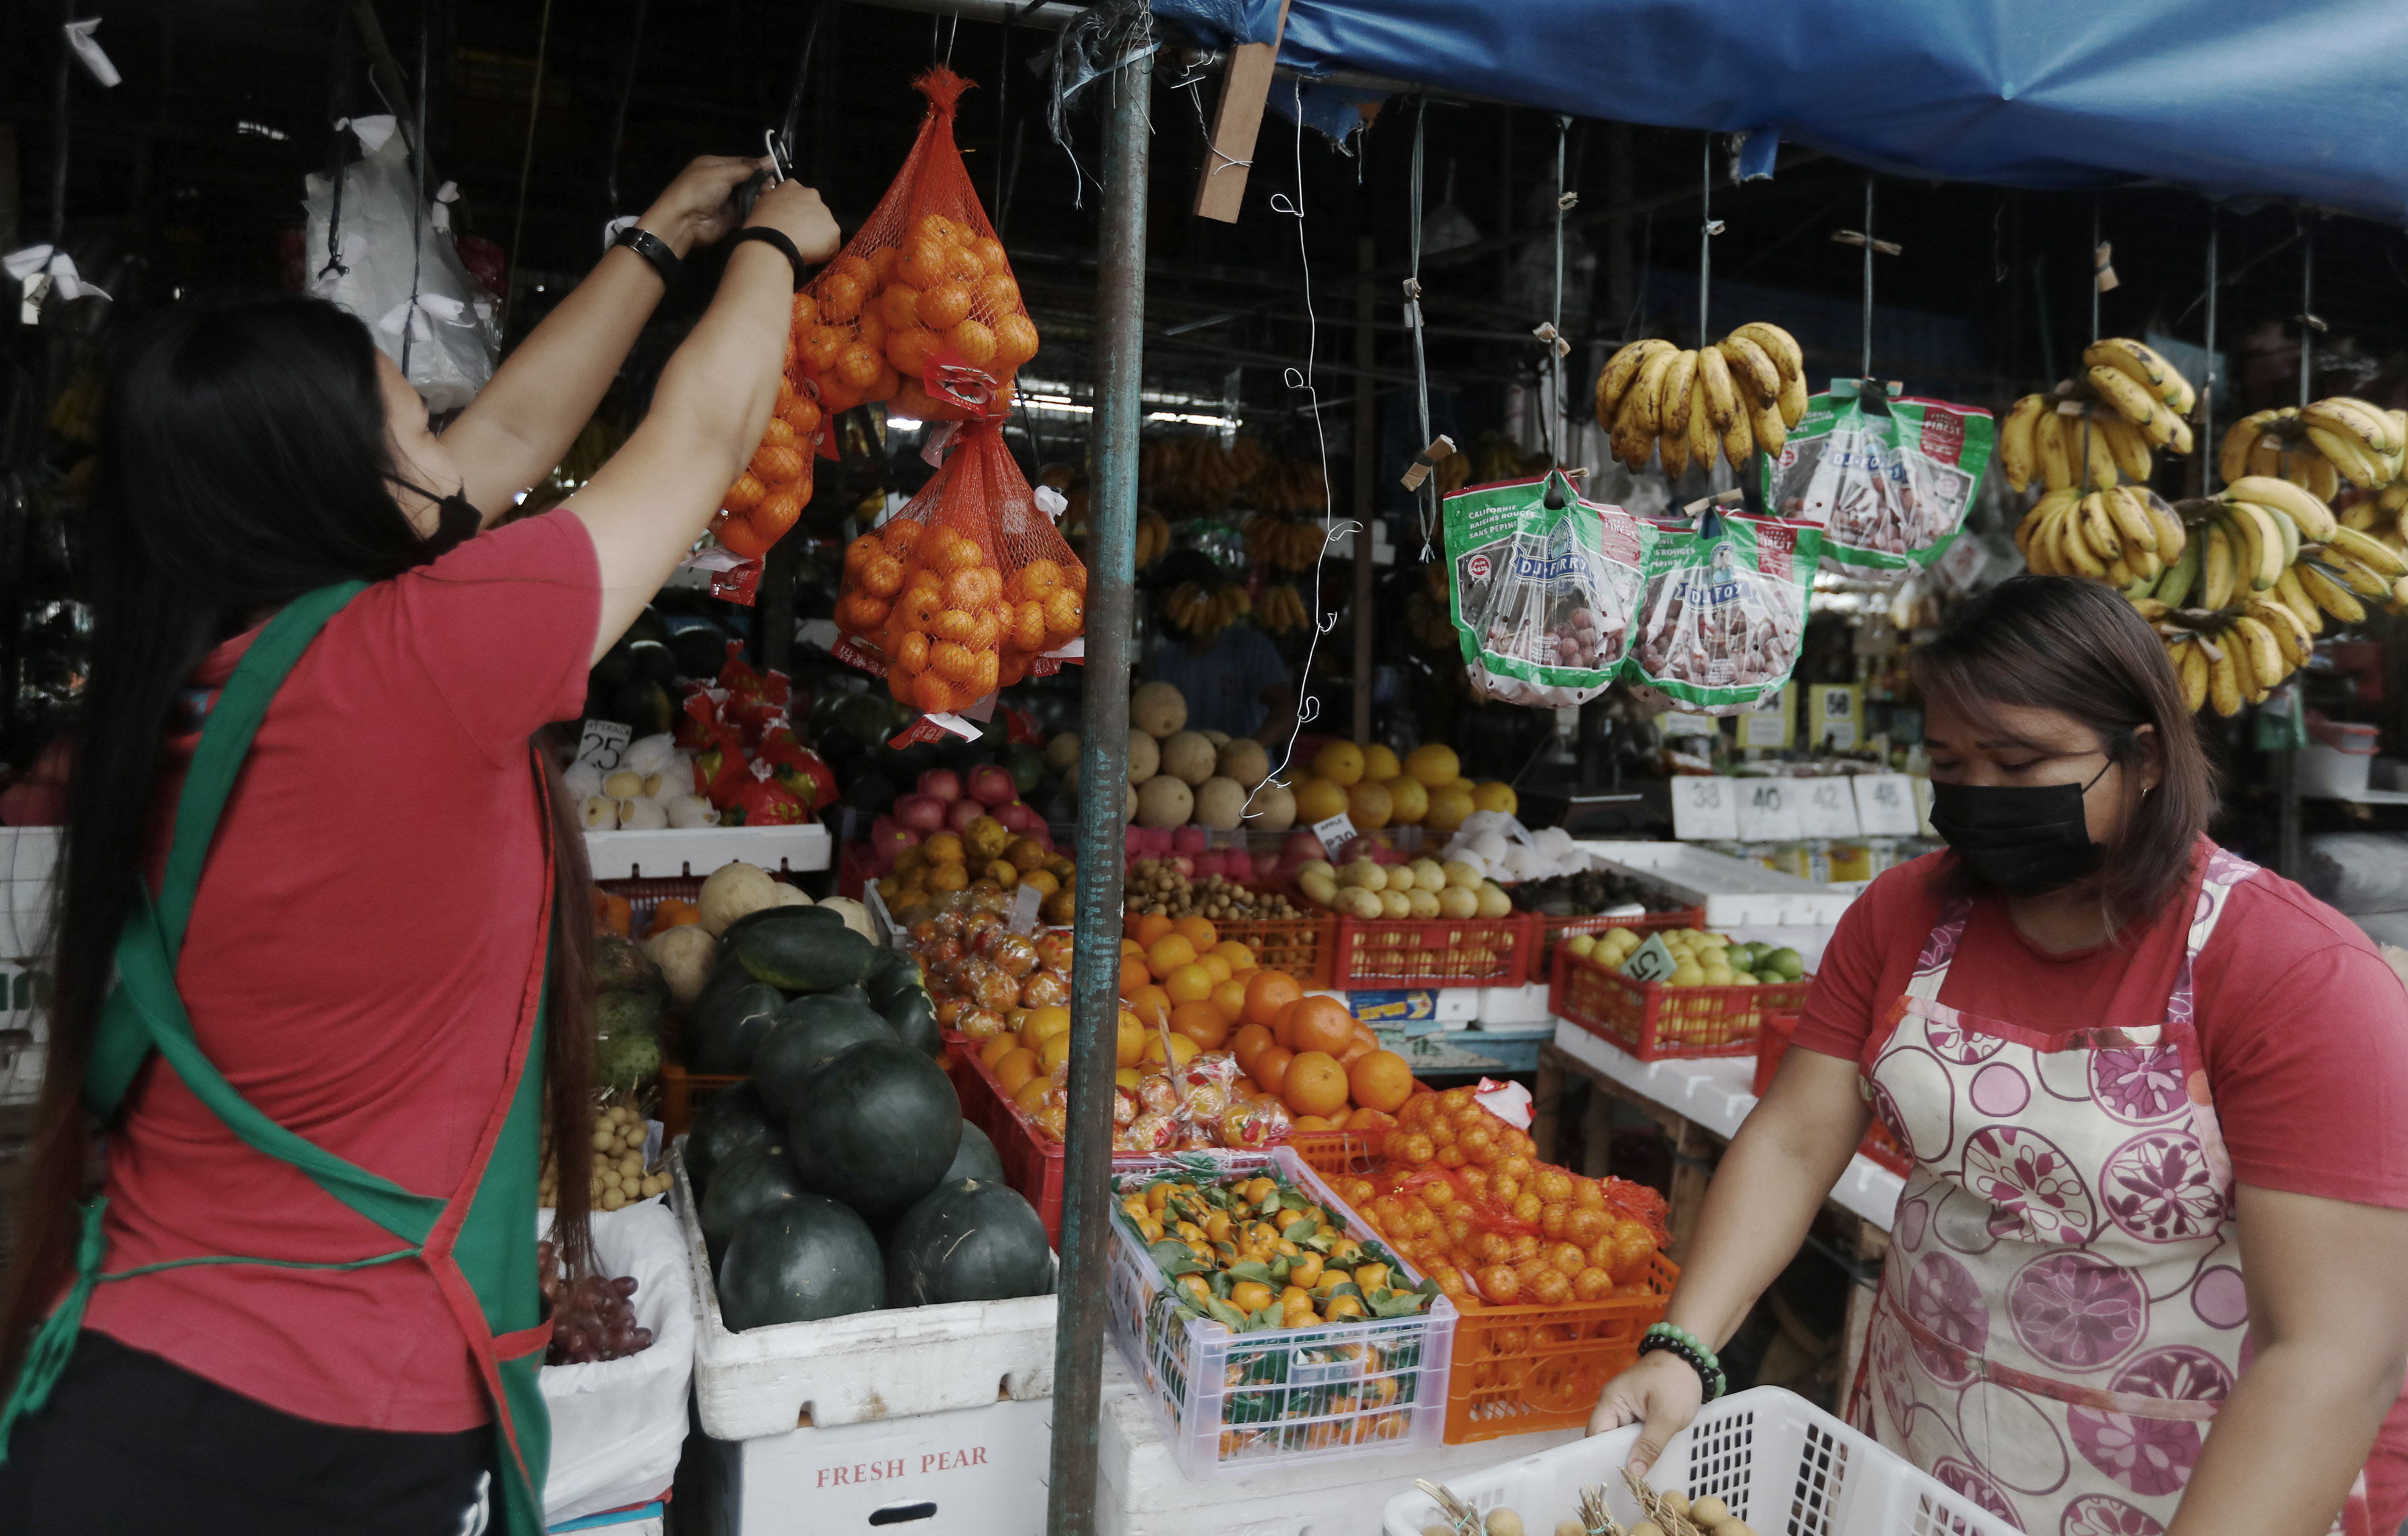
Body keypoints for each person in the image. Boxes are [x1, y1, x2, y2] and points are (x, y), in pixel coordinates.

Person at [0, 158, 839, 1532]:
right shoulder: (415, 663)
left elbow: (496, 445)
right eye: (399, 402)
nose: (438, 409)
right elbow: (696, 446)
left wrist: (657, 245)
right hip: (320, 1442)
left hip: (118, 1379)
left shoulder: (209, 684)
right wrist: (776, 253)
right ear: (337, 475)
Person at [1589, 576, 2408, 1536]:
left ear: (2142, 757)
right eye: (1950, 763)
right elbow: (1796, 1141)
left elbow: (2327, 1353)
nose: (1980, 795)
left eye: (2020, 764)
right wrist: (1684, 1349)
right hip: (1926, 1444)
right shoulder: (1904, 913)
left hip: (2193, 1486)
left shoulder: (2293, 972)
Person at [1144, 550, 1295, 742]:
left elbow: (1285, 711)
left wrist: (1250, 749)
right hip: (1187, 766)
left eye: (1167, 601)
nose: (1163, 611)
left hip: (1248, 768)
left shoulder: (1252, 648)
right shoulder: (1165, 661)